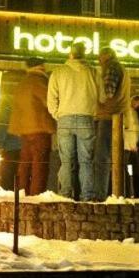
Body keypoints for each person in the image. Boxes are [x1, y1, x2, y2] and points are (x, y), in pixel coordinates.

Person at [46, 43, 102, 201]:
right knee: (86, 161)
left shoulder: (58, 72)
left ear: (70, 54)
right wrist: (93, 112)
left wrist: (57, 114)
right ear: (84, 55)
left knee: (66, 161)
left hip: (65, 118)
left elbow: (51, 98)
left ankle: (65, 195)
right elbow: (102, 97)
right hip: (86, 118)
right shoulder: (93, 72)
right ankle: (87, 196)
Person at [9, 58, 56, 196]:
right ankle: (36, 194)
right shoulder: (40, 81)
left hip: (24, 131)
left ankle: (21, 192)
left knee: (24, 164)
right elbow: (50, 102)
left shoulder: (22, 83)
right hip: (40, 129)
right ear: (40, 66)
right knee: (39, 165)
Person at [92, 48, 133, 201]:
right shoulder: (122, 68)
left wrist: (95, 98)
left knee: (101, 158)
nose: (98, 60)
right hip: (117, 116)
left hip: (108, 115)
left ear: (106, 55)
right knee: (113, 158)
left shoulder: (111, 67)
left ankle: (99, 195)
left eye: (99, 57)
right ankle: (116, 193)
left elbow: (107, 92)